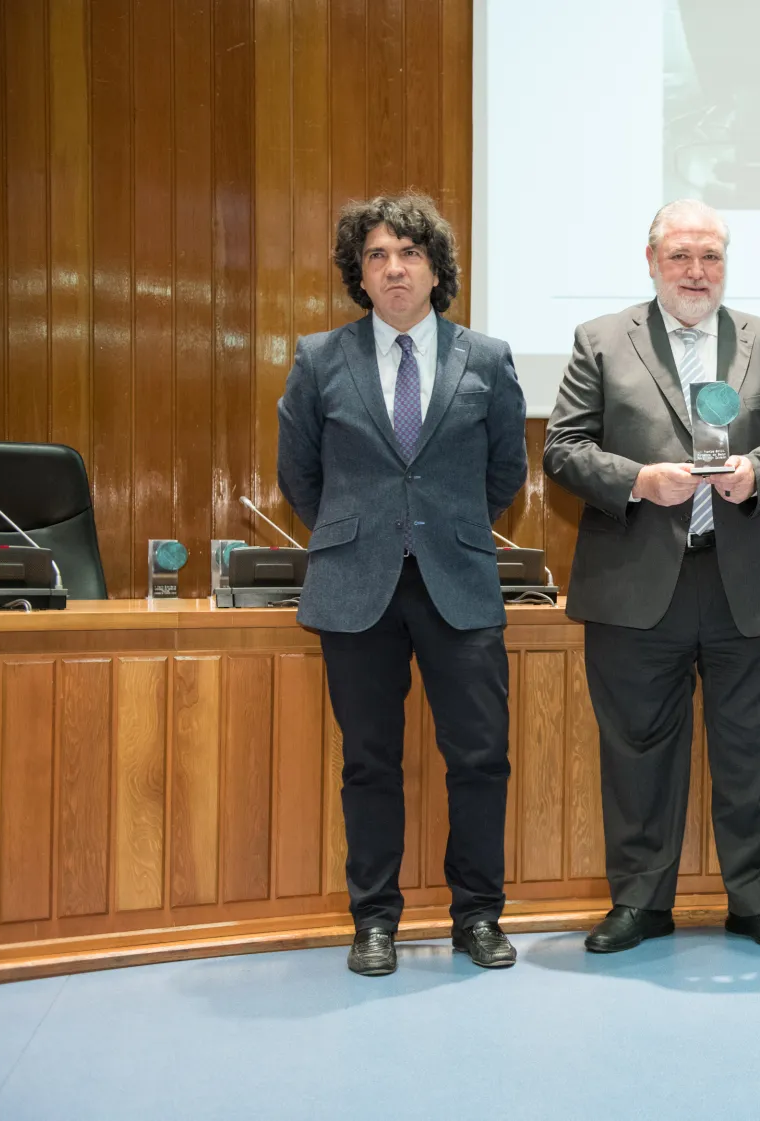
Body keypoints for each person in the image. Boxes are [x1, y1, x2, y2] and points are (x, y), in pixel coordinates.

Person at [544, 199, 760, 953]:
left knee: (755, 749)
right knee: (636, 750)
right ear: (651, 261)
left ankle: (758, 901)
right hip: (635, 581)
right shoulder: (601, 341)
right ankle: (640, 901)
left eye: (711, 257)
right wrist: (639, 480)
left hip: (747, 583)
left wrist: (756, 472)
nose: (696, 271)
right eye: (680, 255)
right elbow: (563, 448)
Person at [277, 193, 528, 976]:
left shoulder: (487, 358)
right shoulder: (320, 358)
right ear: (359, 273)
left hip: (458, 580)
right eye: (378, 255)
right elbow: (300, 474)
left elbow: (506, 470)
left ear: (436, 270)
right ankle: (374, 920)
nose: (394, 268)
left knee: (480, 758)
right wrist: (366, 530)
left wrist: (443, 525)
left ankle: (477, 915)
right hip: (357, 586)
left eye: (410, 253)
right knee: (369, 762)